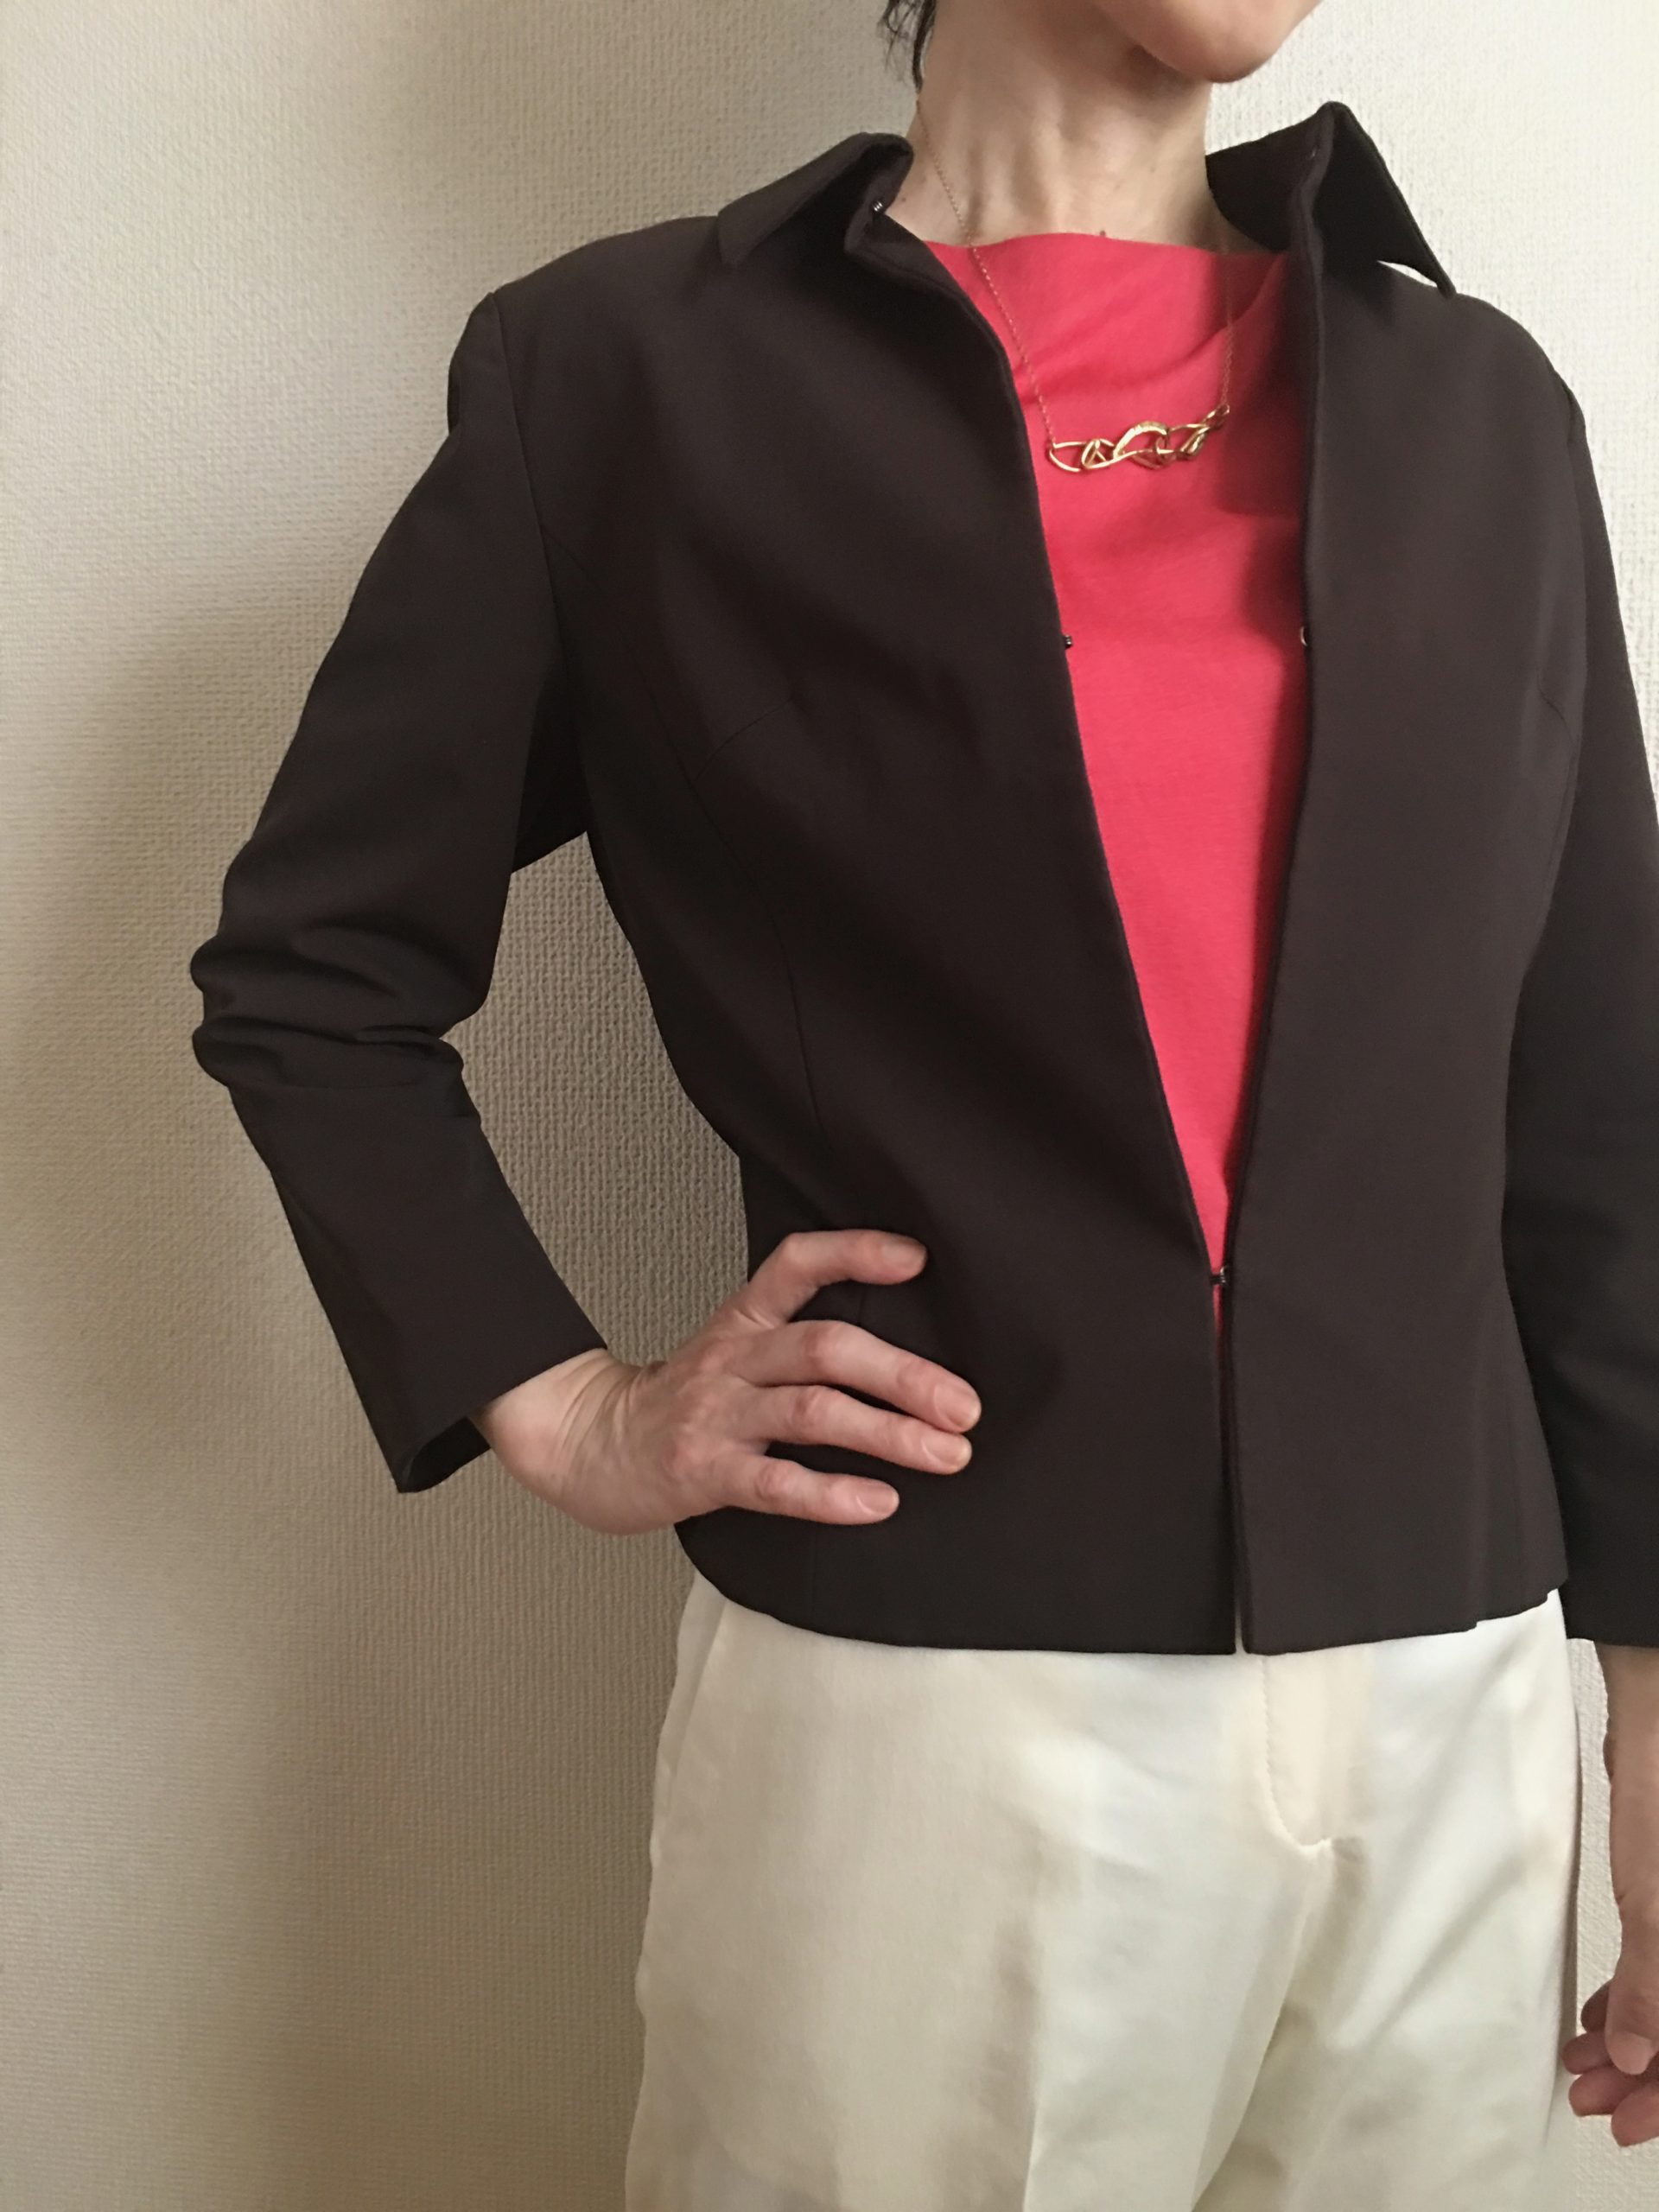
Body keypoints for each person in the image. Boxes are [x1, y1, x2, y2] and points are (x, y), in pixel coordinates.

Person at [188, 0, 1659, 2202]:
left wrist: (1652, 1707)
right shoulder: (626, 380)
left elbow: (1601, 1093)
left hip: (1461, 1705)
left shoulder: (1482, 405)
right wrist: (571, 1402)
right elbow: (317, 973)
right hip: (933, 1707)